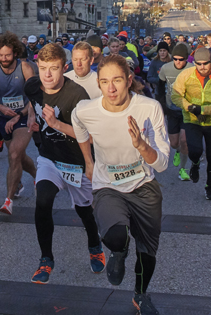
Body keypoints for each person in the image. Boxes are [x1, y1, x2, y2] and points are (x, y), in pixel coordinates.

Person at [72, 55, 171, 315]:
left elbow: (161, 165)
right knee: (116, 237)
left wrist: (141, 145)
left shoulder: (149, 108)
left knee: (147, 251)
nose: (111, 88)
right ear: (98, 83)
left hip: (144, 186)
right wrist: (88, 162)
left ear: (129, 80)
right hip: (108, 186)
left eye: (117, 80)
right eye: (104, 82)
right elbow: (79, 127)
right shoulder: (85, 109)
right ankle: (118, 251)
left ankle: (140, 295)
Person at [24, 42, 104, 283]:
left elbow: (90, 136)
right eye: (43, 67)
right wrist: (32, 119)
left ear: (64, 67)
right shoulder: (32, 86)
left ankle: (95, 245)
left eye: (54, 68)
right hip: (50, 158)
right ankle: (46, 259)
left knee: (85, 212)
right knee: (43, 201)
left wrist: (57, 124)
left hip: (76, 162)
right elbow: (33, 104)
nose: (47, 74)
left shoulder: (77, 95)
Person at [0, 32, 36, 213]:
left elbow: (35, 97)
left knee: (13, 154)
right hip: (3, 118)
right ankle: (37, 176)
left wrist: (19, 114)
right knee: (18, 155)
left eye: (8, 55)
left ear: (15, 53)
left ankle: (8, 201)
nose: (4, 58)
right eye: (1, 55)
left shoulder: (25, 68)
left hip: (23, 116)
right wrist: (1, 108)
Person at [169, 47, 211, 200]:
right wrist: (190, 107)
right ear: (194, 63)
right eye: (199, 64)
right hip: (192, 119)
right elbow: (175, 96)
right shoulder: (186, 75)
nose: (202, 67)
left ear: (210, 62)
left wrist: (203, 110)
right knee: (195, 150)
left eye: (206, 63)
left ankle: (209, 187)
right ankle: (195, 164)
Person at [157, 43, 193, 179]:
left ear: (186, 59)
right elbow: (160, 88)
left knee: (184, 140)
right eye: (175, 59)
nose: (178, 62)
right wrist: (161, 106)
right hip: (171, 109)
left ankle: (183, 169)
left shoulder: (192, 69)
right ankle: (178, 151)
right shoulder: (166, 68)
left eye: (181, 59)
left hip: (186, 109)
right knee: (174, 143)